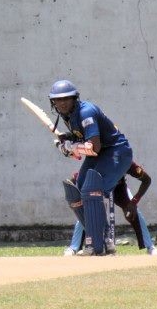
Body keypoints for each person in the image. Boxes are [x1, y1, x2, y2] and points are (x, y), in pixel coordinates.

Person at [51, 80, 133, 256]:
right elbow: (82, 143)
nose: (62, 102)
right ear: (53, 102)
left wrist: (70, 148)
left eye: (67, 98)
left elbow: (93, 147)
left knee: (92, 189)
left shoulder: (86, 112)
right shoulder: (67, 116)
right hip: (101, 154)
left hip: (116, 152)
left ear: (75, 98)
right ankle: (104, 240)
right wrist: (67, 142)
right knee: (77, 189)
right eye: (58, 100)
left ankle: (94, 245)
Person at [65, 162, 157, 256]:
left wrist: (134, 202)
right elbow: (76, 178)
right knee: (87, 213)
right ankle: (74, 247)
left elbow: (147, 180)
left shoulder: (126, 160)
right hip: (98, 189)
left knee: (135, 213)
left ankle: (150, 247)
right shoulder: (99, 160)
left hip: (118, 189)